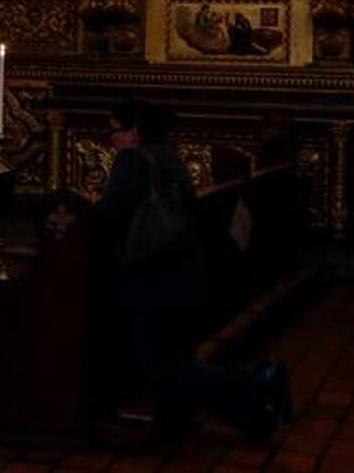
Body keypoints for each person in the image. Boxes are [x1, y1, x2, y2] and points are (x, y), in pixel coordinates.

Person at [93, 99, 291, 443]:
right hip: (181, 272)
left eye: (114, 131)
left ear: (134, 132)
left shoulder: (133, 160)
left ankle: (258, 383)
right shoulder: (168, 156)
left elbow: (108, 214)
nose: (112, 140)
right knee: (173, 358)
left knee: (162, 367)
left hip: (151, 277)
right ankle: (249, 414)